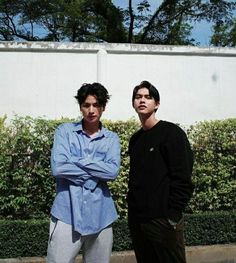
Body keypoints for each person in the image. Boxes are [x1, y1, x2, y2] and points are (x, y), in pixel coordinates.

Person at [47, 82, 121, 263]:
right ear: (80, 107)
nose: (91, 110)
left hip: (101, 214)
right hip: (66, 212)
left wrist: (77, 160)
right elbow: (59, 167)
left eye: (96, 105)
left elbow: (112, 171)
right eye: (87, 105)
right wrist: (95, 170)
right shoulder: (64, 131)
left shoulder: (111, 139)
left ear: (103, 108)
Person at [127, 80, 194, 263]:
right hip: (139, 221)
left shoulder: (171, 133)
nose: (142, 100)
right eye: (138, 97)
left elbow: (183, 177)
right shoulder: (135, 139)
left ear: (157, 104)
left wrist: (173, 215)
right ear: (133, 103)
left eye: (148, 97)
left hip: (164, 220)